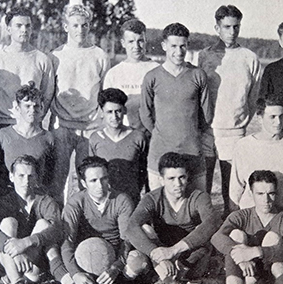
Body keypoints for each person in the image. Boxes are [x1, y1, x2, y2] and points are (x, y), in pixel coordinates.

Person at [0, 155, 76, 284]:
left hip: (33, 266)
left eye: (31, 176)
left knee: (43, 224)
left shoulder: (45, 201)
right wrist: (15, 252)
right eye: (21, 176)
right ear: (11, 176)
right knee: (7, 223)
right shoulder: (5, 202)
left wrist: (26, 242)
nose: (26, 181)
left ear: (37, 177)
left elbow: (58, 228)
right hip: (11, 260)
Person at [126, 152, 222, 284]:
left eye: (181, 177)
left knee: (203, 233)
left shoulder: (198, 196)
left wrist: (174, 250)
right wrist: (157, 254)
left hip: (191, 253)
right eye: (171, 179)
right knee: (145, 228)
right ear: (161, 179)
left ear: (188, 176)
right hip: (163, 254)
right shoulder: (152, 198)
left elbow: (212, 222)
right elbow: (132, 226)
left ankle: (167, 282)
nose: (177, 184)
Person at [207, 170, 283, 284]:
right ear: (251, 192)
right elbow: (217, 237)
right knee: (236, 235)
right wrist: (241, 258)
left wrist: (255, 252)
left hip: (267, 280)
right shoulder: (242, 215)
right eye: (260, 194)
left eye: (271, 193)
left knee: (272, 238)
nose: (266, 200)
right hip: (243, 273)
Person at [197, 5, 263, 215]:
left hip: (234, 133)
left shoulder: (249, 57)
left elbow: (253, 98)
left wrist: (239, 122)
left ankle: (230, 236)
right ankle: (203, 236)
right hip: (207, 131)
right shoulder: (204, 56)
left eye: (236, 27)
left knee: (232, 192)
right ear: (217, 27)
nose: (232, 31)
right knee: (203, 189)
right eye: (227, 27)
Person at [0, 5, 55, 198]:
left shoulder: (42, 59)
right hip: (3, 127)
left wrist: (31, 120)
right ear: (9, 28)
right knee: (1, 181)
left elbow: (47, 94)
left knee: (33, 181)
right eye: (18, 25)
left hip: (33, 130)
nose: (24, 30)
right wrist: (11, 115)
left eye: (27, 26)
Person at [61, 156, 145, 284]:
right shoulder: (75, 202)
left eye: (103, 178)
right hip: (85, 259)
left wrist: (116, 267)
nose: (100, 185)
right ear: (83, 183)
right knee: (54, 252)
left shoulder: (121, 200)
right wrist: (76, 273)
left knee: (139, 260)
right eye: (93, 181)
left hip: (113, 256)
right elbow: (67, 242)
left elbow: (125, 240)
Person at [50, 3, 110, 204]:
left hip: (90, 128)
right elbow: (50, 92)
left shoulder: (99, 56)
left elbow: (104, 92)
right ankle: (56, 224)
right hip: (62, 127)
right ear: (66, 26)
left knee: (90, 180)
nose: (80, 30)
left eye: (84, 25)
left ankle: (86, 224)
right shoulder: (55, 56)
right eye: (75, 25)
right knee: (57, 180)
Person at [140, 23, 211, 192]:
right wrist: (162, 132)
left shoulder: (198, 75)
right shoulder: (152, 77)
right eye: (173, 46)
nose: (178, 52)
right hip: (160, 151)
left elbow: (206, 114)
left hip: (192, 151)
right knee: (160, 208)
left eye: (182, 46)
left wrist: (190, 133)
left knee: (195, 206)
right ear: (164, 46)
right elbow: (145, 113)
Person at [229, 95, 283, 215]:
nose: (278, 122)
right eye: (272, 117)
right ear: (260, 118)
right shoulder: (243, 145)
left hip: (281, 217)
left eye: (281, 116)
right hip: (249, 215)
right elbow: (236, 188)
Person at [89, 88, 148, 204]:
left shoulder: (138, 137)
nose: (114, 117)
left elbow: (144, 172)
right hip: (105, 202)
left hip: (131, 200)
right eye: (109, 112)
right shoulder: (95, 138)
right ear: (101, 112)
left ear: (124, 110)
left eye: (118, 111)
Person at [0, 82, 55, 193]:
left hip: (37, 195)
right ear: (18, 108)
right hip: (9, 196)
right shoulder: (4, 134)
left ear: (42, 108)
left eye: (36, 106)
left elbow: (50, 175)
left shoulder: (48, 137)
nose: (32, 111)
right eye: (27, 106)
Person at [103, 19, 159, 131]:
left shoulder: (157, 69)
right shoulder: (113, 74)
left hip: (152, 135)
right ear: (123, 43)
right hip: (124, 136)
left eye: (140, 41)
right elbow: (108, 112)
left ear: (146, 41)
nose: (136, 46)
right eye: (131, 41)